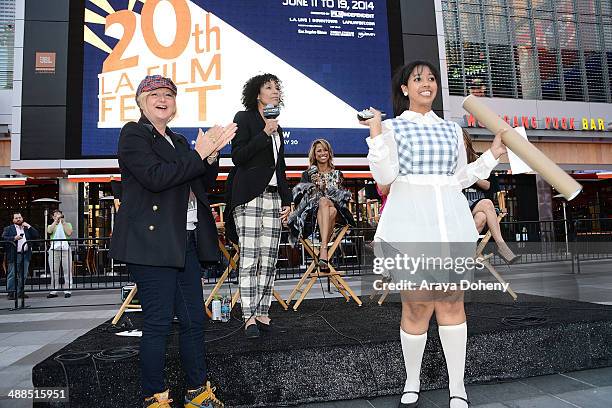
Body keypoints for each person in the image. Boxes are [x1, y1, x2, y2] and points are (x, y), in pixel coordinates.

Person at [361, 60, 508, 408]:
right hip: (411, 224)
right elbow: (384, 175)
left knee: (452, 302)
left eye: (431, 78)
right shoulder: (392, 128)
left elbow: (458, 178)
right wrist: (376, 133)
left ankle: (458, 386)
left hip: (449, 223)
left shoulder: (452, 130)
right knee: (416, 307)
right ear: (405, 89)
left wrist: (492, 156)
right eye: (418, 79)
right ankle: (412, 380)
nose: (426, 83)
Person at [109, 74, 236, 408]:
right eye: (154, 94)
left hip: (186, 243)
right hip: (151, 246)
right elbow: (156, 177)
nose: (162, 98)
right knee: (158, 323)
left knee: (195, 320)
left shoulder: (180, 142)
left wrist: (211, 155)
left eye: (169, 94)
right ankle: (155, 397)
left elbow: (202, 181)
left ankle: (197, 392)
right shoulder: (133, 134)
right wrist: (199, 154)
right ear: (140, 101)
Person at [224, 73, 291, 339]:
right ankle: (249, 314)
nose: (275, 91)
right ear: (257, 94)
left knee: (269, 259)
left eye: (277, 87)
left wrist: (288, 200)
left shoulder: (278, 127)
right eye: (269, 87)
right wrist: (264, 133)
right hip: (249, 196)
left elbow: (280, 168)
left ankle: (263, 311)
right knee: (250, 258)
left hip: (274, 197)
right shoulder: (245, 118)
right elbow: (238, 156)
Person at [287, 139, 354, 268]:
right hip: (316, 215)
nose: (323, 153)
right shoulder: (307, 174)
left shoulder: (337, 174)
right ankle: (326, 251)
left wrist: (324, 188)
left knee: (328, 204)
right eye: (319, 150)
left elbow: (341, 199)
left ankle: (323, 250)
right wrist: (314, 187)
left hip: (337, 213)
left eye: (325, 150)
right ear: (314, 154)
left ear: (329, 152)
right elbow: (302, 200)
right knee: (327, 208)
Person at [462, 130, 519, 263]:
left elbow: (488, 185)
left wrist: (471, 175)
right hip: (461, 203)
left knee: (481, 217)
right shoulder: (452, 160)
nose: (460, 143)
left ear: (467, 141)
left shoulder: (477, 159)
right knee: (487, 204)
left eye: (462, 140)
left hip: (476, 201)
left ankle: (466, 253)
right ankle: (502, 247)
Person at [2, 213, 38, 300]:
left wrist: (29, 226)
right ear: (13, 220)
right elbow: (3, 238)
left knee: (24, 275)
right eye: (16, 218)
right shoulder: (9, 228)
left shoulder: (26, 228)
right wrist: (14, 238)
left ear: (22, 218)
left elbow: (36, 235)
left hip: (25, 254)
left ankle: (20, 292)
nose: (18, 219)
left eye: (20, 217)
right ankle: (11, 293)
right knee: (12, 274)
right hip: (15, 254)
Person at [47, 209, 74, 298]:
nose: (58, 216)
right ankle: (54, 290)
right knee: (54, 271)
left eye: (59, 215)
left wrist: (63, 222)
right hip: (54, 250)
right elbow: (49, 231)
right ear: (53, 217)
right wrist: (56, 221)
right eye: (56, 215)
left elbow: (69, 233)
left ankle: (68, 290)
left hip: (65, 249)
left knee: (67, 270)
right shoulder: (51, 225)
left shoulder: (67, 224)